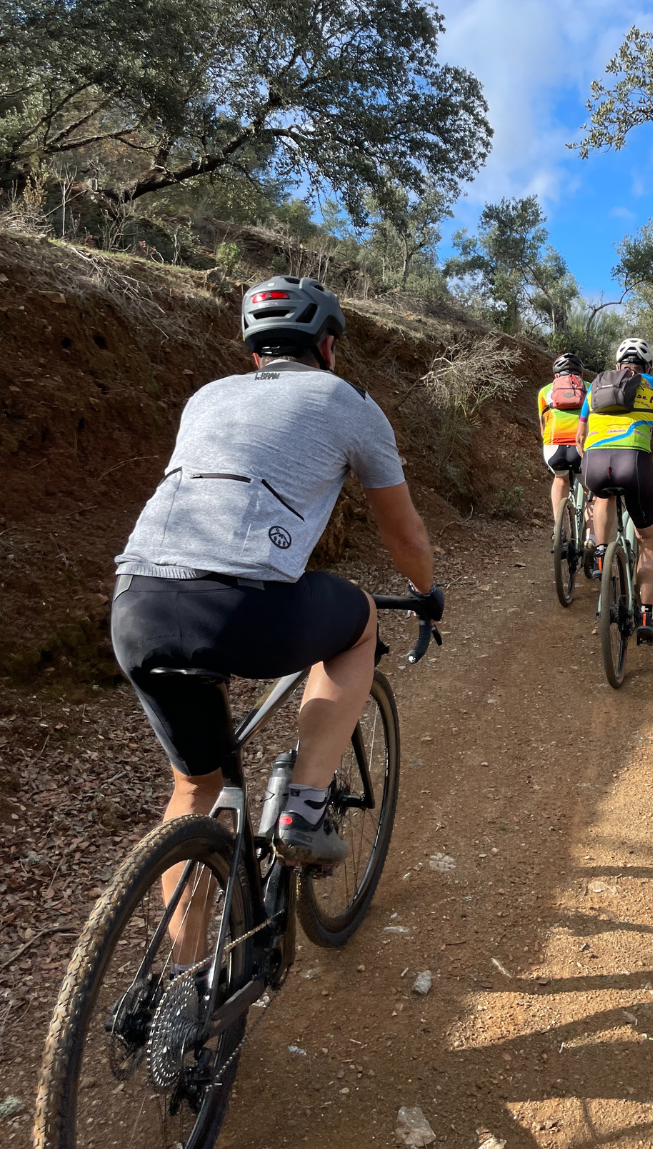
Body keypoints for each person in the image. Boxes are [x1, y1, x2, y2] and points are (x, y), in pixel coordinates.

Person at [111, 274, 444, 871]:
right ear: (327, 345)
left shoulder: (207, 396)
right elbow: (405, 534)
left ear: (254, 349)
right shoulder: (346, 401)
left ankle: (187, 969)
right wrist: (424, 592)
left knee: (194, 791)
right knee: (361, 620)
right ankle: (303, 813)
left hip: (138, 603)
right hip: (243, 607)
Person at [576, 337, 653, 643]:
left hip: (594, 462)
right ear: (647, 366)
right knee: (649, 541)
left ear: (618, 364)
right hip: (634, 462)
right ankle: (646, 614)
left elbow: (581, 434)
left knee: (603, 494)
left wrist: (589, 465)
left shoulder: (597, 384)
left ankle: (600, 552)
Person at [538, 353, 593, 547]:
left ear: (556, 375)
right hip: (581, 447)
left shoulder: (545, 391)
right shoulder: (590, 388)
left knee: (560, 478)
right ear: (580, 373)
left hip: (554, 447)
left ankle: (558, 527)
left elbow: (543, 427)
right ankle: (591, 540)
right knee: (590, 491)